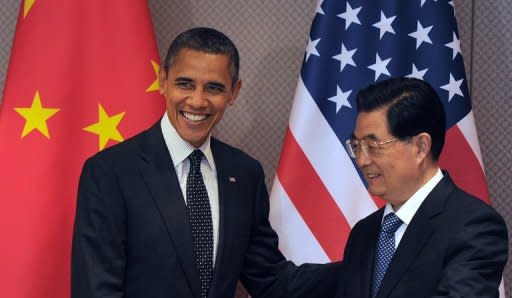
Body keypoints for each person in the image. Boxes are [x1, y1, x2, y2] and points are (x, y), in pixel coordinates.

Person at [71, 27, 341, 298]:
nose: (197, 101)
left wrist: (364, 263)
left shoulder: (245, 174)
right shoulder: (110, 172)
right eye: (185, 84)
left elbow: (271, 279)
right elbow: (96, 290)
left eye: (214, 88)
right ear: (163, 81)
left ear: (234, 92)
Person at [336, 77, 508, 298]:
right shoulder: (364, 233)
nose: (361, 160)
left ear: (420, 146)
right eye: (357, 146)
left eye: (373, 146)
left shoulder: (474, 226)